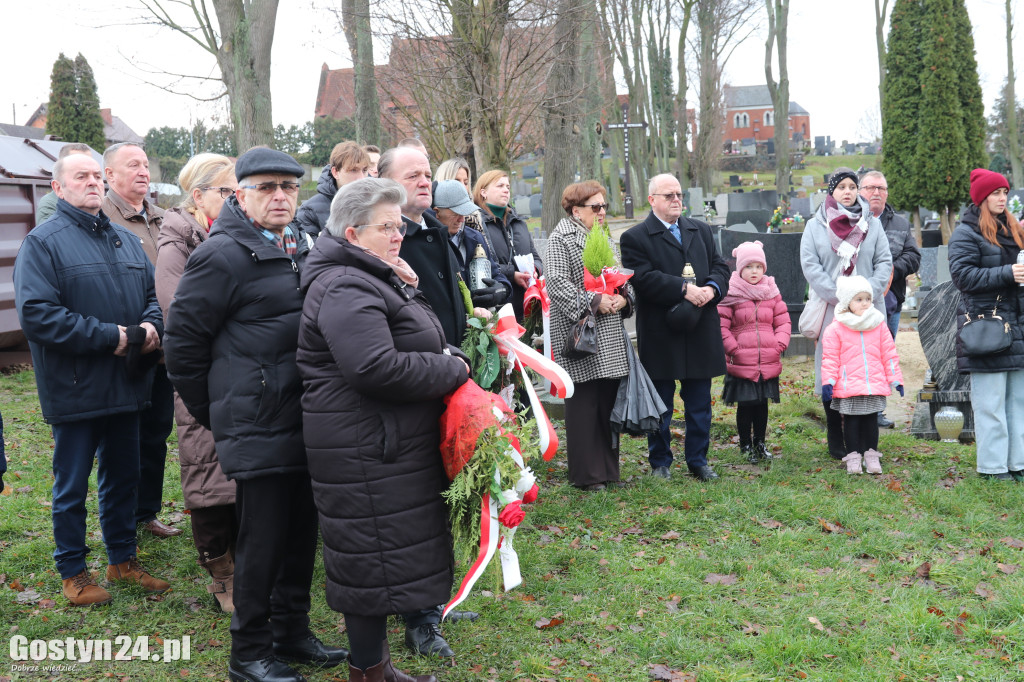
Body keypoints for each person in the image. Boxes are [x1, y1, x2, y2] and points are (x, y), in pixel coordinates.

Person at [163, 148, 346, 682]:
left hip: (306, 416)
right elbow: (183, 346)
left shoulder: (304, 247)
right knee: (261, 539)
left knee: (300, 531)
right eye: (266, 187)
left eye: (289, 187)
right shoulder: (221, 255)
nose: (280, 197)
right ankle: (249, 651)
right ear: (239, 194)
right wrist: (220, 413)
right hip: (256, 420)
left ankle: (291, 632)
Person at [298, 177, 470, 682]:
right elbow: (374, 367)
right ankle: (369, 671)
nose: (398, 235)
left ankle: (375, 668)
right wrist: (453, 370)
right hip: (365, 444)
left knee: (383, 554)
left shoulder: (374, 275)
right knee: (370, 559)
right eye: (386, 228)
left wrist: (411, 291)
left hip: (383, 440)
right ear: (352, 234)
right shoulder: (345, 284)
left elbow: (417, 338)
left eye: (399, 225)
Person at [13, 153, 169, 606]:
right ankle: (74, 572)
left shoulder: (125, 240)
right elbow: (39, 317)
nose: (92, 183)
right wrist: (114, 338)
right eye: (80, 176)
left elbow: (150, 297)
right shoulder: (42, 244)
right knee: (72, 485)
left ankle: (122, 559)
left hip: (128, 384)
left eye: (97, 176)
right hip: (76, 386)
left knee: (124, 477)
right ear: (58, 189)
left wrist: (152, 326)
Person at [378, 147, 480, 656]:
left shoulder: (434, 230)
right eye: (411, 174)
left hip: (447, 378)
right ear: (386, 183)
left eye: (426, 174)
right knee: (416, 506)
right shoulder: (384, 237)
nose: (424, 181)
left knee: (444, 493)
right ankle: (419, 619)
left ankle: (438, 597)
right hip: (409, 386)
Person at [155, 153, 238, 613]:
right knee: (208, 473)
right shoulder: (177, 246)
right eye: (227, 192)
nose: (234, 200)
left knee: (240, 472)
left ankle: (243, 563)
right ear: (199, 195)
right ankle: (221, 572)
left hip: (240, 373)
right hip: (203, 378)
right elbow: (181, 315)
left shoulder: (231, 235)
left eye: (236, 192)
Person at [620, 173, 730, 482]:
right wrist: (683, 289)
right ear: (652, 200)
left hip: (700, 327)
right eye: (668, 195)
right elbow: (640, 277)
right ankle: (660, 462)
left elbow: (720, 267)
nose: (676, 199)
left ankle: (698, 460)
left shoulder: (701, 230)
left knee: (699, 403)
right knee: (661, 404)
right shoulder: (635, 237)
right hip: (662, 331)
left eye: (679, 194)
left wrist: (711, 289)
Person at [101, 142, 180, 540]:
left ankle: (146, 511)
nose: (143, 171)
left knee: (156, 432)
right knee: (121, 440)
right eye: (132, 165)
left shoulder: (165, 218)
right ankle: (119, 521)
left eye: (146, 164)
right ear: (109, 175)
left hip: (165, 349)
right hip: (126, 347)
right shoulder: (101, 219)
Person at [799, 168, 892, 460]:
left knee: (865, 373)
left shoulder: (872, 225)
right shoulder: (815, 226)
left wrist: (866, 294)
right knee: (835, 374)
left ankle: (865, 439)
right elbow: (810, 265)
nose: (848, 191)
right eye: (841, 187)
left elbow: (884, 261)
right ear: (831, 192)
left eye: (852, 186)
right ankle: (835, 437)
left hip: (868, 313)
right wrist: (841, 297)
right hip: (833, 311)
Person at [548, 180, 633, 490]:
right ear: (575, 210)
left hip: (608, 334)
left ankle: (609, 472)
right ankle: (586, 475)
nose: (601, 212)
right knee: (584, 405)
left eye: (604, 207)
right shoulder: (562, 238)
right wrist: (596, 301)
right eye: (595, 207)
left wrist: (624, 298)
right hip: (581, 333)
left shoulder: (604, 237)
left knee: (607, 403)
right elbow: (556, 284)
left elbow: (622, 277)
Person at [948, 168, 1024, 481]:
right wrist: (1007, 274)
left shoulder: (1014, 228)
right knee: (991, 402)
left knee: (1017, 401)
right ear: (981, 198)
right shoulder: (966, 232)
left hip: (1017, 325)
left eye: (1004, 192)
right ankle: (992, 468)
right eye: (995, 193)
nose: (1002, 198)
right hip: (987, 325)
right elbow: (962, 277)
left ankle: (1017, 463)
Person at [820, 276, 904, 475]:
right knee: (852, 421)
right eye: (859, 299)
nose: (865, 303)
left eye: (867, 298)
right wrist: (828, 382)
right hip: (849, 385)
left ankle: (871, 455)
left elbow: (889, 354)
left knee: (870, 421)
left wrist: (895, 378)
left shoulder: (879, 325)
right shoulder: (836, 329)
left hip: (873, 383)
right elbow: (830, 358)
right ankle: (854, 457)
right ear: (847, 302)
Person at [717, 240, 791, 463]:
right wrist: (733, 348)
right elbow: (721, 325)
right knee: (746, 405)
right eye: (749, 267)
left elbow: (783, 321)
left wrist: (779, 344)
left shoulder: (771, 292)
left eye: (758, 266)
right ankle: (745, 444)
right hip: (742, 359)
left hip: (767, 357)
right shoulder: (731, 292)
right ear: (740, 268)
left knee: (762, 404)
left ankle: (760, 441)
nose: (754, 271)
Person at [859, 170, 921, 429]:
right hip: (857, 303)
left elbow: (914, 256)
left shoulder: (900, 224)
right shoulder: (852, 220)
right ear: (861, 190)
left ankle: (878, 410)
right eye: (871, 187)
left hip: (891, 301)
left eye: (881, 188)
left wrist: (893, 269)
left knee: (882, 355)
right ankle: (855, 408)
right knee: (858, 355)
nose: (876, 192)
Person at [473, 170, 543, 322]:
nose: (506, 190)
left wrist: (535, 270)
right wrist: (512, 275)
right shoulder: (476, 224)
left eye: (508, 187)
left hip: (526, 306)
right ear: (483, 192)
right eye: (500, 186)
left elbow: (536, 257)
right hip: (497, 307)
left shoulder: (519, 223)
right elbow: (482, 264)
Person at [432, 179, 509, 307]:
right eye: (456, 213)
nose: (462, 219)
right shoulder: (430, 242)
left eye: (464, 211)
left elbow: (497, 275)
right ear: (437, 212)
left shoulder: (474, 237)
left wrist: (501, 290)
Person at [294, 141, 371, 238]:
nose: (361, 178)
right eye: (353, 170)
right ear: (335, 172)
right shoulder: (309, 211)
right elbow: (310, 251)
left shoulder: (375, 204)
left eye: (364, 170)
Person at [35, 143, 93, 224]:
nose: (86, 168)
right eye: (78, 163)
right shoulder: (50, 204)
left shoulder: (95, 201)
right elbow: (51, 235)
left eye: (89, 163)